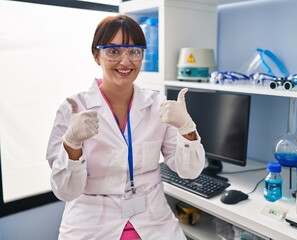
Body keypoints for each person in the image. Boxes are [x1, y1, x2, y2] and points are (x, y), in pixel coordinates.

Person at [46, 14, 205, 240]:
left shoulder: (158, 105)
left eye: (134, 51)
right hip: (92, 223)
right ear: (96, 55)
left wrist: (187, 129)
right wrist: (72, 144)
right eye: (113, 51)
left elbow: (189, 171)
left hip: (153, 220)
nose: (125, 61)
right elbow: (65, 190)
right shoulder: (73, 109)